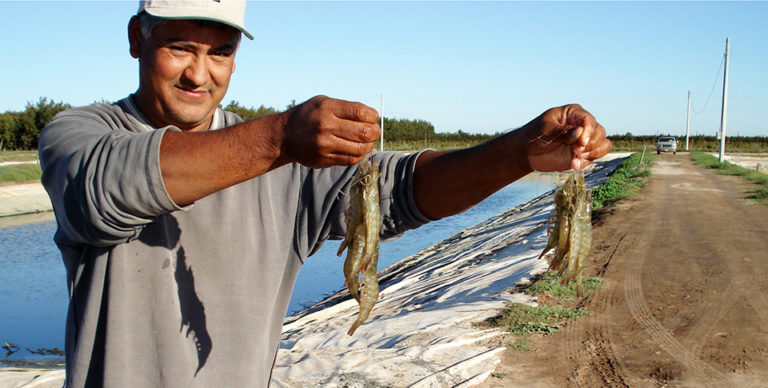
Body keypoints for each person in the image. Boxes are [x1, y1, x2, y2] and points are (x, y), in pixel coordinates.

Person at [38, 0, 611, 386]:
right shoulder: (82, 134)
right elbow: (105, 190)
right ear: (137, 38)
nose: (198, 73)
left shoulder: (282, 163)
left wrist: (516, 153)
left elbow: (405, 188)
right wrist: (281, 135)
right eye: (179, 46)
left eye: (220, 53)